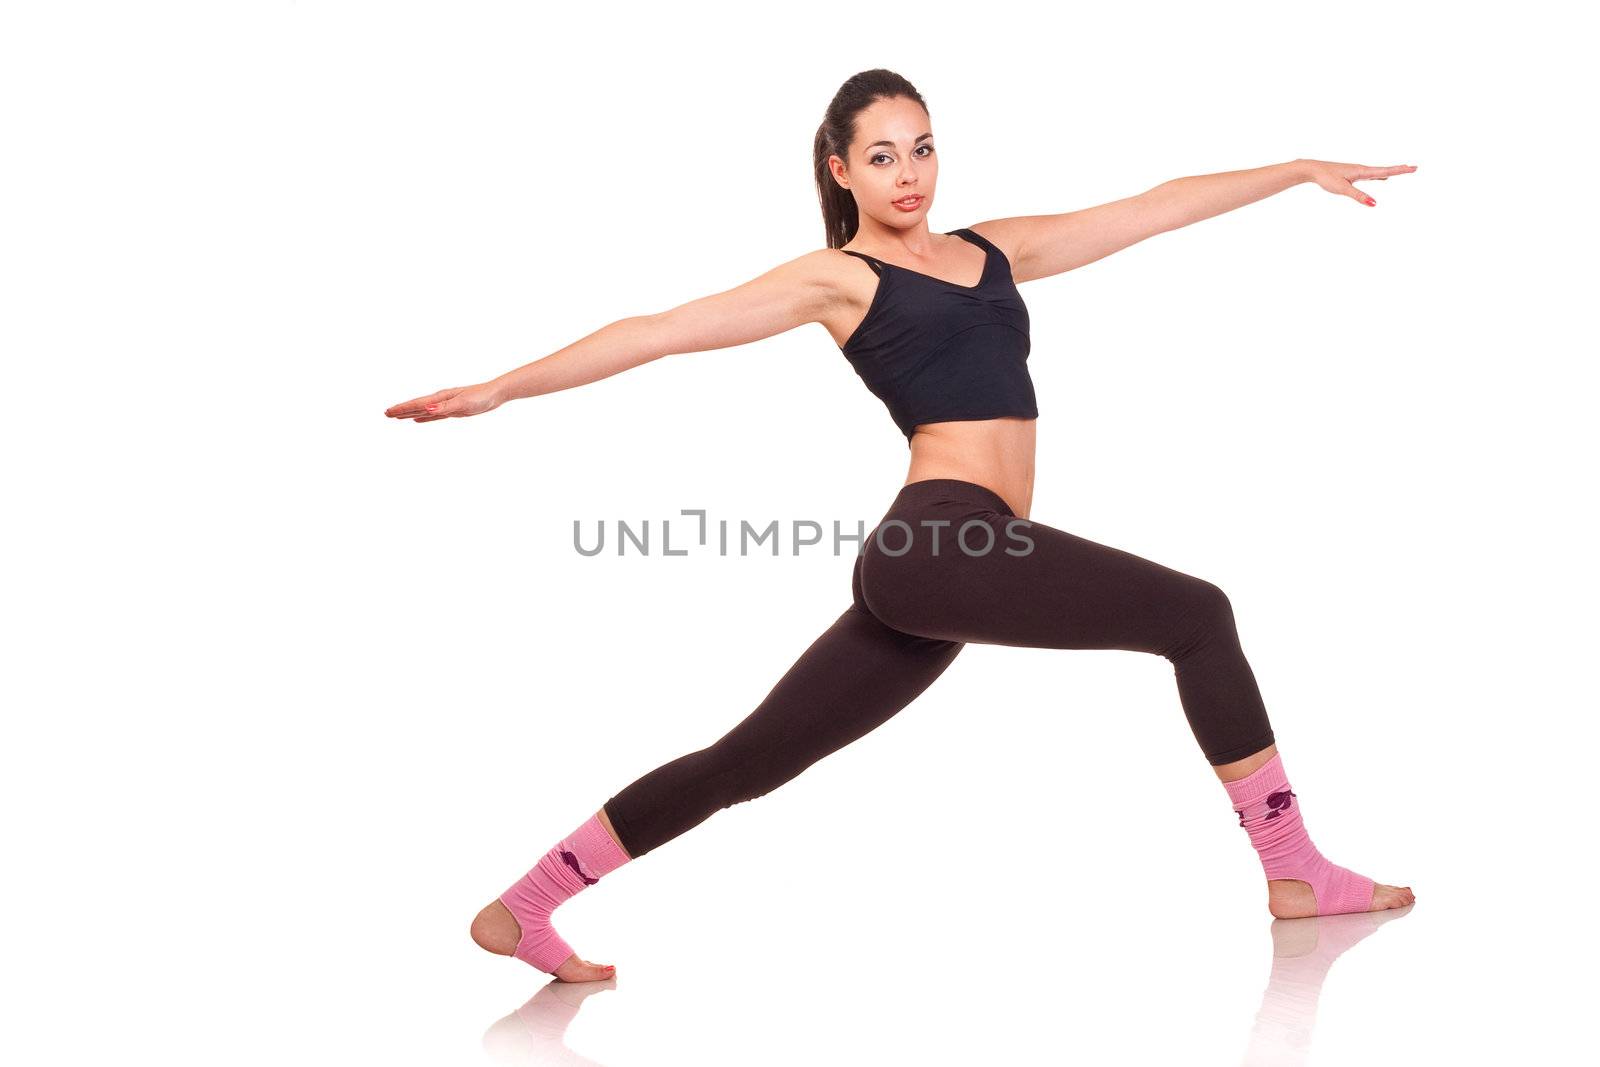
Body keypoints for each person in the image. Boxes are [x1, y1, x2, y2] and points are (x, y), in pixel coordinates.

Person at [385, 69, 1418, 984]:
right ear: (841, 171)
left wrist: (1290, 168)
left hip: (943, 570)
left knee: (747, 759)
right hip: (939, 541)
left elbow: (1150, 207)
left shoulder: (993, 251)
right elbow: (661, 332)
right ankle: (1293, 868)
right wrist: (500, 389)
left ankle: (523, 903)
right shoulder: (842, 279)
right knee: (1197, 615)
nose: (908, 173)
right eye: (880, 156)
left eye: (921, 147)